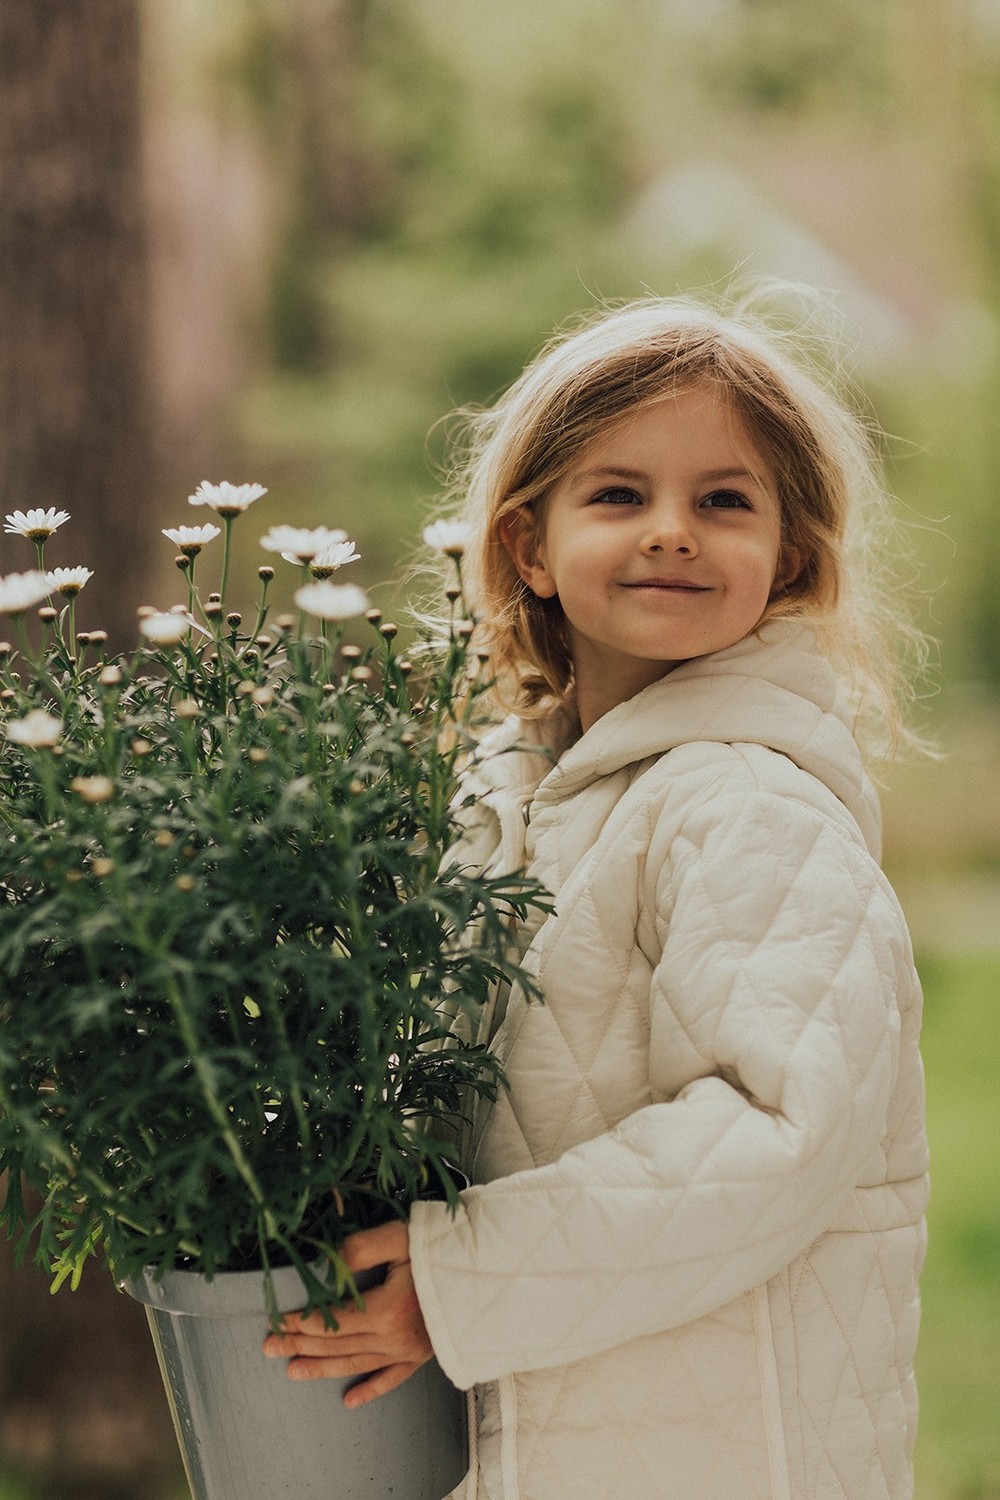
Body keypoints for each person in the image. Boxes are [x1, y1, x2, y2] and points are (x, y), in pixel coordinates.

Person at [263, 294, 930, 1500]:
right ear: (527, 546)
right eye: (618, 495)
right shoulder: (508, 796)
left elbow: (772, 1135)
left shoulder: (747, 806)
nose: (672, 531)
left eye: (723, 500)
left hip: (719, 1453)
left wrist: (460, 1281)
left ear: (786, 556)